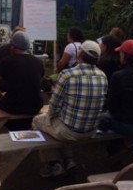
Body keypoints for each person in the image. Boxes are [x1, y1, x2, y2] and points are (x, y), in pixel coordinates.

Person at [32, 40, 108, 178]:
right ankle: (69, 159)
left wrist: (49, 117)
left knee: (38, 121)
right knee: (64, 120)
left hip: (68, 131)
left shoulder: (67, 74)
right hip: (91, 130)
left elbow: (54, 106)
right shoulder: (103, 76)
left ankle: (52, 163)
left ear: (80, 54)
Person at [0, 31, 44, 129]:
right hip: (35, 106)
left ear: (13, 47)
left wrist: (1, 96)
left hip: (13, 106)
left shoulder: (7, 61)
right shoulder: (39, 62)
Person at [108, 39, 133, 140]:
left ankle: (116, 147)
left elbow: (112, 106)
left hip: (125, 125)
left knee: (102, 118)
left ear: (124, 56)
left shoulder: (118, 76)